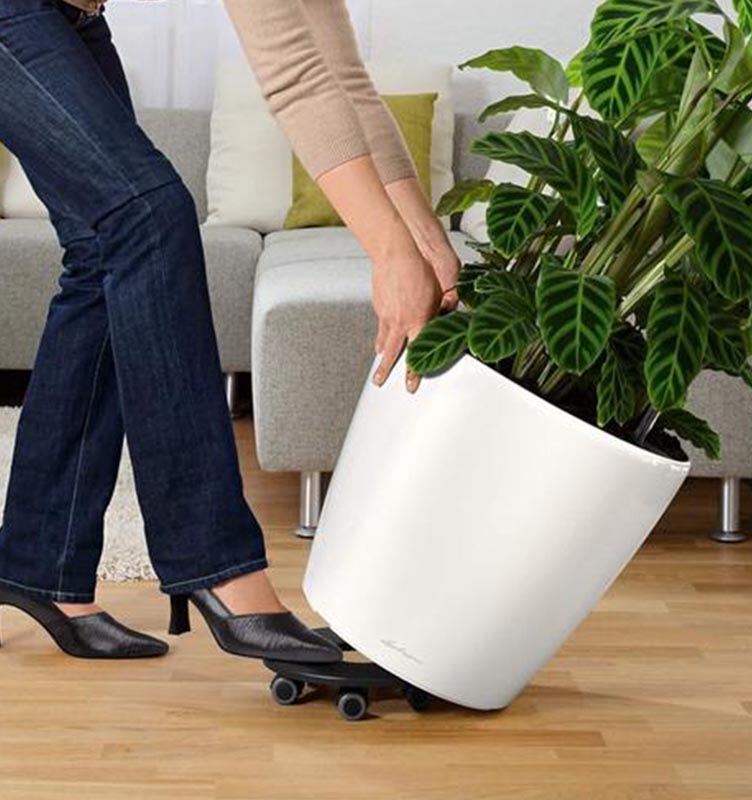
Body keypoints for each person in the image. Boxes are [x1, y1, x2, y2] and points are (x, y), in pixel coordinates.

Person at [0, 0, 460, 660]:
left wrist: (424, 236)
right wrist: (389, 255)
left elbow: (339, 73)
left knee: (105, 251)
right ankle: (217, 565)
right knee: (149, 218)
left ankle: (41, 567)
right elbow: (295, 77)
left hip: (66, 15)